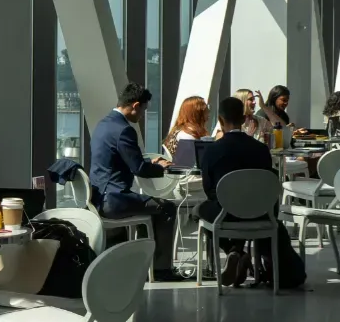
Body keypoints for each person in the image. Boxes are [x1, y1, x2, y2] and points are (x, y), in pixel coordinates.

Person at [89, 82, 178, 277]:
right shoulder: (124, 130)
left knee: (148, 207)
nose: (142, 116)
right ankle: (160, 269)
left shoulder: (103, 124)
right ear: (136, 105)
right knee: (167, 208)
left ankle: (143, 262)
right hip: (115, 200)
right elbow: (139, 169)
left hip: (98, 198)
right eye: (143, 110)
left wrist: (147, 160)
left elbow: (119, 159)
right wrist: (160, 168)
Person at [194, 96, 273, 284]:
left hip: (226, 213)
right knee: (243, 207)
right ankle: (238, 252)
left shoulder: (212, 151)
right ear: (244, 119)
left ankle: (232, 250)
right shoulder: (261, 149)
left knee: (199, 210)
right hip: (259, 213)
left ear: (220, 121)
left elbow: (208, 189)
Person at [165, 95, 211, 160]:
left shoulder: (180, 130)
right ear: (197, 114)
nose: (209, 112)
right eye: (205, 110)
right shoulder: (186, 135)